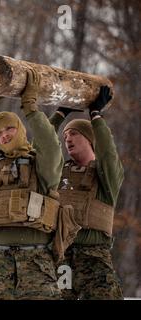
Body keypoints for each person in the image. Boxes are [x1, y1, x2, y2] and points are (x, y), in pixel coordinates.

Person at [0, 69, 64, 299]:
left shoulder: (41, 165)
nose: (4, 135)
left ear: (22, 130)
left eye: (10, 128)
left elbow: (50, 145)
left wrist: (30, 106)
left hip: (37, 263)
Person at [49, 85, 124, 299]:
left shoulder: (106, 176)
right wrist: (59, 115)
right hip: (61, 259)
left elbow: (108, 153)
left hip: (94, 258)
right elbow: (41, 147)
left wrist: (96, 117)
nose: (67, 139)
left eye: (73, 134)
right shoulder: (58, 172)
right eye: (64, 136)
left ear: (89, 139)